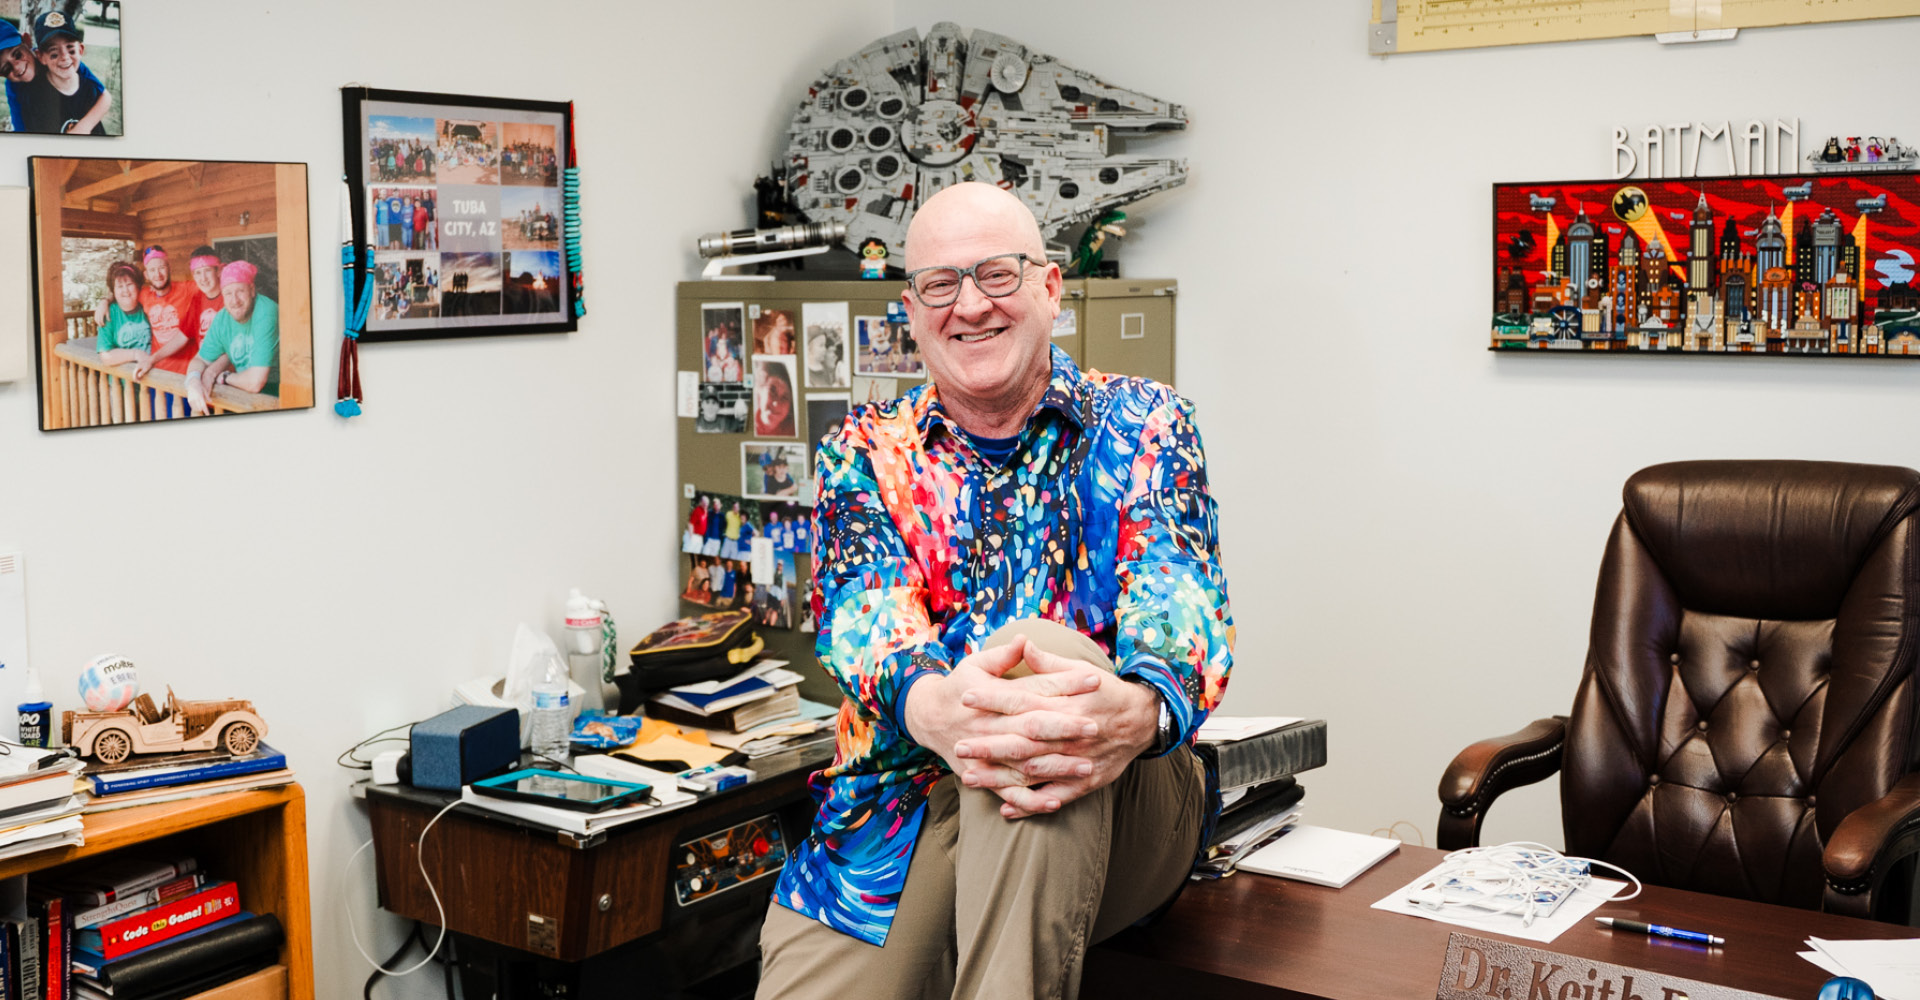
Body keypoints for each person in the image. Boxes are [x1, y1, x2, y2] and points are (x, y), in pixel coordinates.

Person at [755, 182, 1232, 1000]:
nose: (969, 305)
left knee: (1039, 665)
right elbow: (868, 628)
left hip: (1120, 787)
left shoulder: (1146, 423)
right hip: (904, 800)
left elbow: (1179, 615)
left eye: (998, 275)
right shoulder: (862, 451)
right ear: (911, 311)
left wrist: (1146, 709)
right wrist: (936, 708)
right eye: (941, 284)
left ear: (1050, 289)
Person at [185, 261, 279, 416]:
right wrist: (193, 381)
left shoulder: (266, 312)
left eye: (240, 291)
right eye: (228, 293)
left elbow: (255, 382)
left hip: (277, 393)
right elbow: (199, 360)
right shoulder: (222, 318)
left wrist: (224, 377)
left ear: (252, 290)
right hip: (245, 395)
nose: (234, 300)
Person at [94, 246, 201, 376]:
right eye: (152, 270)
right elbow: (125, 294)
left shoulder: (187, 290)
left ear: (169, 268)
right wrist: (104, 301)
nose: (158, 274)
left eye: (162, 268)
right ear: (147, 274)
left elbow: (210, 285)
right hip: (156, 373)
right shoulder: (144, 295)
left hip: (187, 372)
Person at [8, 12, 109, 135]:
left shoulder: (89, 87)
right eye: (54, 54)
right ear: (41, 57)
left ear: (80, 50)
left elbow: (105, 99)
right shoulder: (35, 99)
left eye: (71, 50)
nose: (65, 58)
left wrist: (84, 127)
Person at [92, 262, 153, 375]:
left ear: (137, 286)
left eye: (129, 284)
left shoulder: (147, 304)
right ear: (113, 291)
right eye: (120, 286)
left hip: (153, 383)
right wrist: (135, 354)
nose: (125, 290)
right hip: (122, 386)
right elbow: (105, 356)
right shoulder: (109, 313)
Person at [186, 246, 226, 336]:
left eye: (208, 270)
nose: (203, 278)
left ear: (218, 271)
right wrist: (160, 351)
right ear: (194, 276)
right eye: (198, 272)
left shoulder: (229, 299)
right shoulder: (197, 299)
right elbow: (183, 335)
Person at [755, 360, 796, 437]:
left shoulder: (794, 430)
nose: (776, 404)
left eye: (784, 398)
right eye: (772, 391)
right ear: (760, 390)